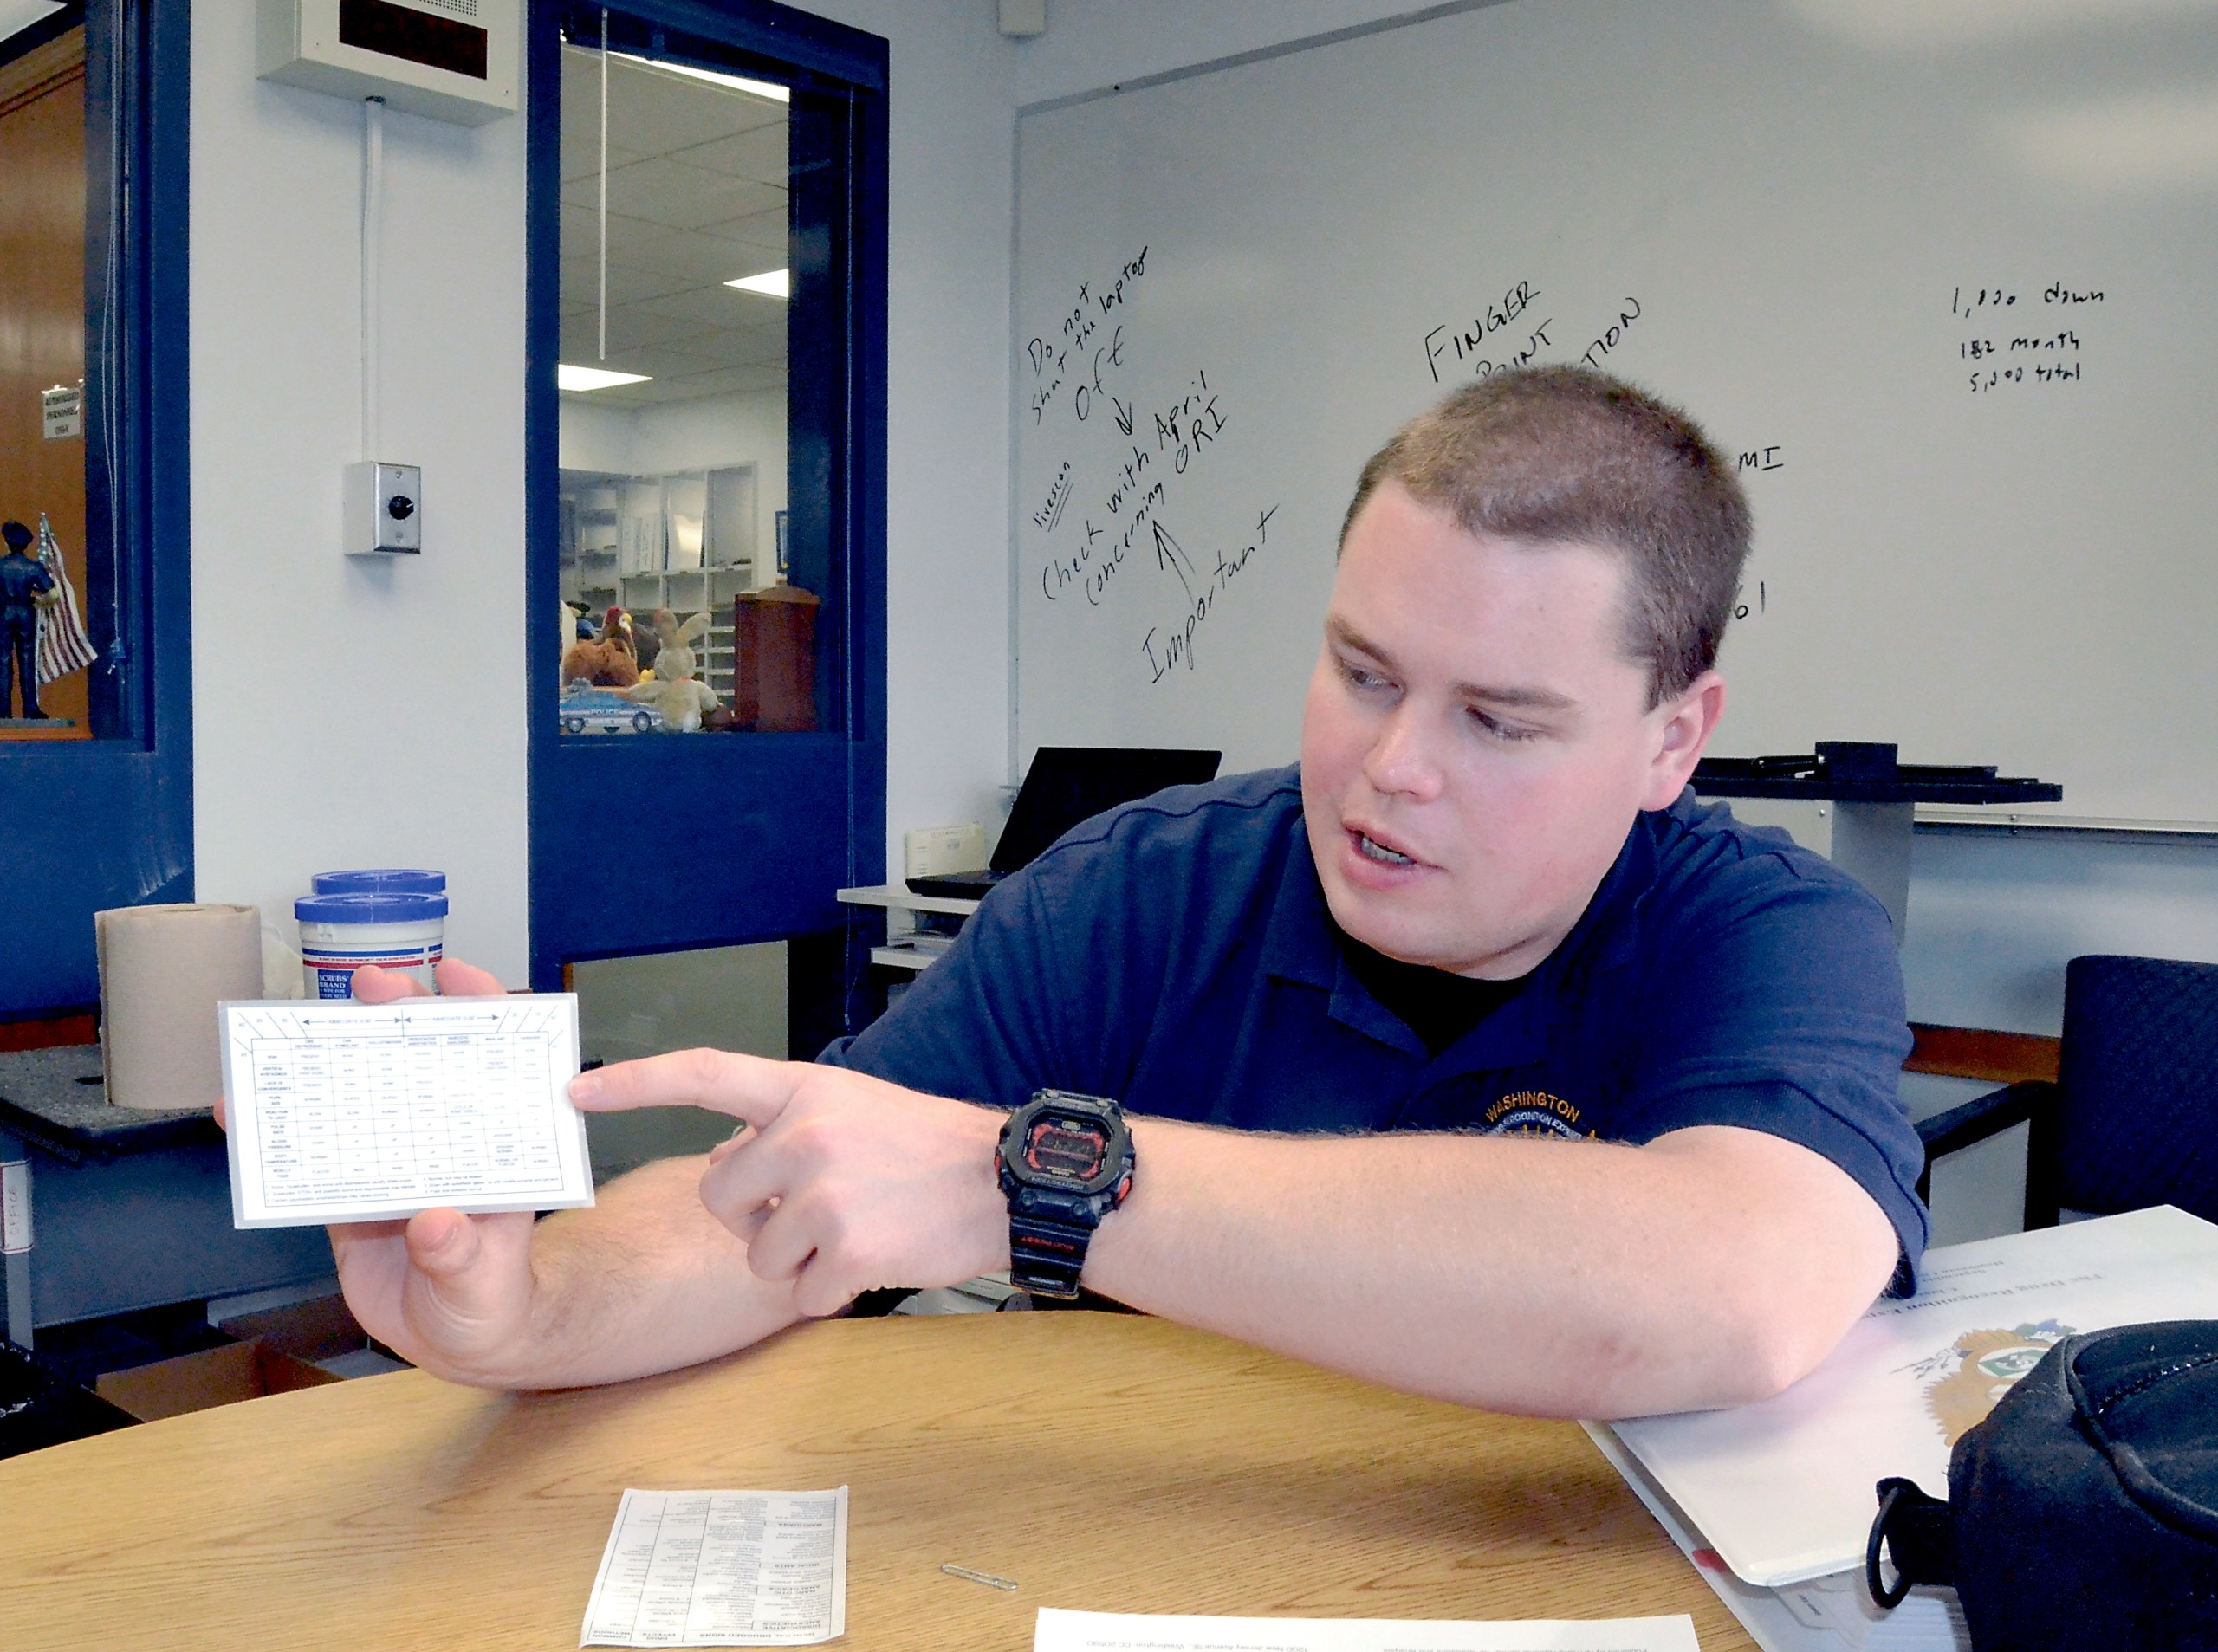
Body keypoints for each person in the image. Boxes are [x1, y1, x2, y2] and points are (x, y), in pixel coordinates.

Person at [280, 367, 1925, 1419]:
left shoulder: (1765, 931)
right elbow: (797, 1192)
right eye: (1361, 671)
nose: (1392, 767)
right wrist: (525, 1307)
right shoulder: (1148, 889)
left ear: (1671, 739)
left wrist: (1038, 1179)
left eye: (1498, 719)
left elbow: (1720, 1290)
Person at [0, 519, 55, 720]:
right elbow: (53, 594)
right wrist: (38, 602)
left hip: (3, 613)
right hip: (25, 612)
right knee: (27, 661)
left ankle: (3, 711)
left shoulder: (1, 565)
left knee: (3, 662)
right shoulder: (33, 567)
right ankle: (30, 708)